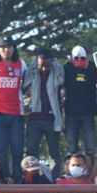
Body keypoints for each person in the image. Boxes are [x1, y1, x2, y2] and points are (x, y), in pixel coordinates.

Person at [0, 35, 28, 181]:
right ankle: (4, 179)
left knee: (17, 149)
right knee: (1, 150)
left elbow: (28, 86)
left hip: (17, 114)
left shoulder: (21, 64)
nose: (6, 50)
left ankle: (17, 180)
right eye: (3, 47)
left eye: (9, 47)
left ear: (14, 48)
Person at [23, 47, 65, 181]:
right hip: (34, 116)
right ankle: (30, 178)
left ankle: (55, 179)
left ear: (52, 62)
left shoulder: (57, 71)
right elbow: (24, 84)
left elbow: (62, 80)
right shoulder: (33, 72)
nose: (43, 68)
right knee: (31, 151)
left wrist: (54, 65)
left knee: (53, 152)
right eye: (41, 65)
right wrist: (34, 66)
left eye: (46, 65)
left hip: (52, 118)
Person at [64, 45, 97, 161]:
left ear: (86, 57)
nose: (79, 61)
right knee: (72, 147)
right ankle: (72, 172)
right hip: (71, 112)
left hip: (88, 112)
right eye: (76, 59)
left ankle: (91, 171)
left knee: (90, 147)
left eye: (82, 59)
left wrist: (88, 64)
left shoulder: (93, 67)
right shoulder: (67, 67)